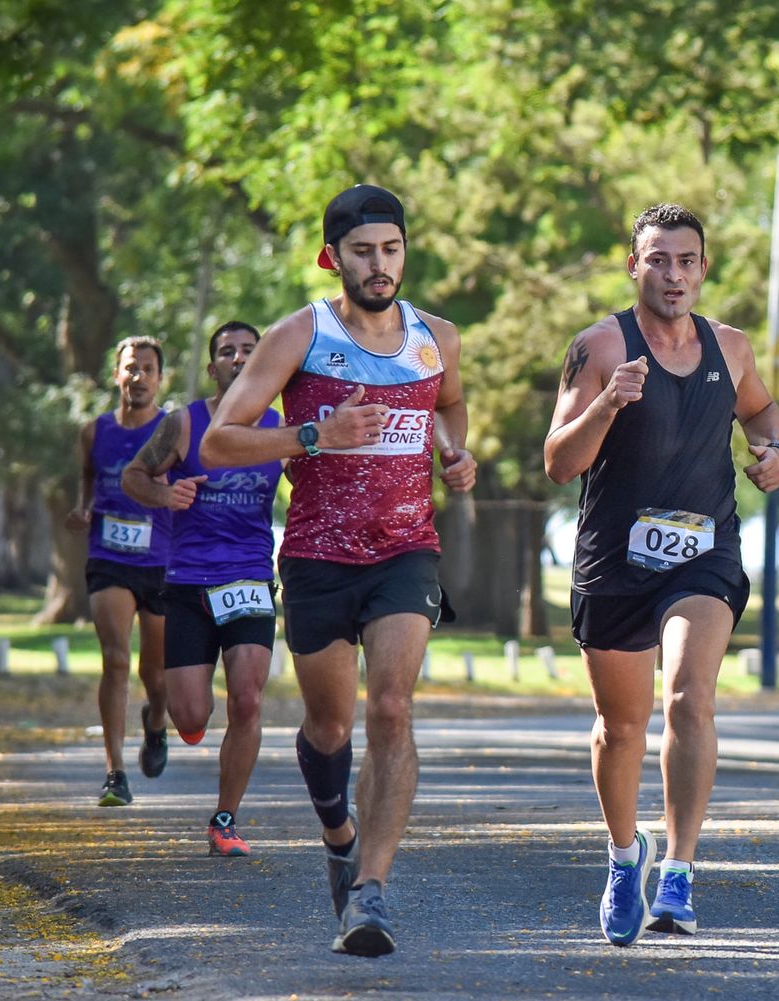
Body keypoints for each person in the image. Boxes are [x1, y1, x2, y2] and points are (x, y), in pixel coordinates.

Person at [200, 184, 475, 957]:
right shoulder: (299, 335)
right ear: (334, 257)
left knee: (391, 706)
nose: (379, 265)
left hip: (405, 551)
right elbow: (221, 441)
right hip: (318, 556)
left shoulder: (437, 337)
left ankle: (370, 891)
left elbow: (449, 403)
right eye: (363, 252)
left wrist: (454, 451)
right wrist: (313, 435)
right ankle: (338, 831)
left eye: (391, 250)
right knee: (328, 725)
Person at [544, 203, 779, 947]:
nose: (673, 274)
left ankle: (679, 871)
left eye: (686, 261)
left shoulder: (732, 348)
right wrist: (609, 402)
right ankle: (626, 857)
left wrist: (774, 451)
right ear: (634, 266)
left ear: (703, 269)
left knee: (690, 694)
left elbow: (764, 412)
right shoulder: (598, 345)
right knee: (622, 727)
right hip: (614, 560)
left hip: (702, 553)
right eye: (658, 260)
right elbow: (559, 463)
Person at [121, 320, 282, 856]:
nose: (238, 358)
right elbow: (134, 477)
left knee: (247, 700)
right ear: (213, 368)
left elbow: (315, 487)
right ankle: (162, 716)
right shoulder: (185, 424)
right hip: (188, 583)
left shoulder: (282, 428)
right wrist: (165, 497)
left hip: (251, 578)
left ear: (262, 364)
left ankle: (224, 820)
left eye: (249, 352)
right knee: (191, 717)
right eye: (227, 352)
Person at [66, 336, 171, 808]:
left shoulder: (174, 430)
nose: (139, 376)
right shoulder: (94, 432)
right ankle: (115, 772)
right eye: (131, 367)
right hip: (108, 556)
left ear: (159, 378)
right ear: (116, 375)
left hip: (163, 561)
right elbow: (87, 477)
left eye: (148, 368)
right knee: (116, 659)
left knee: (158, 674)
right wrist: (83, 508)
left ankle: (156, 722)